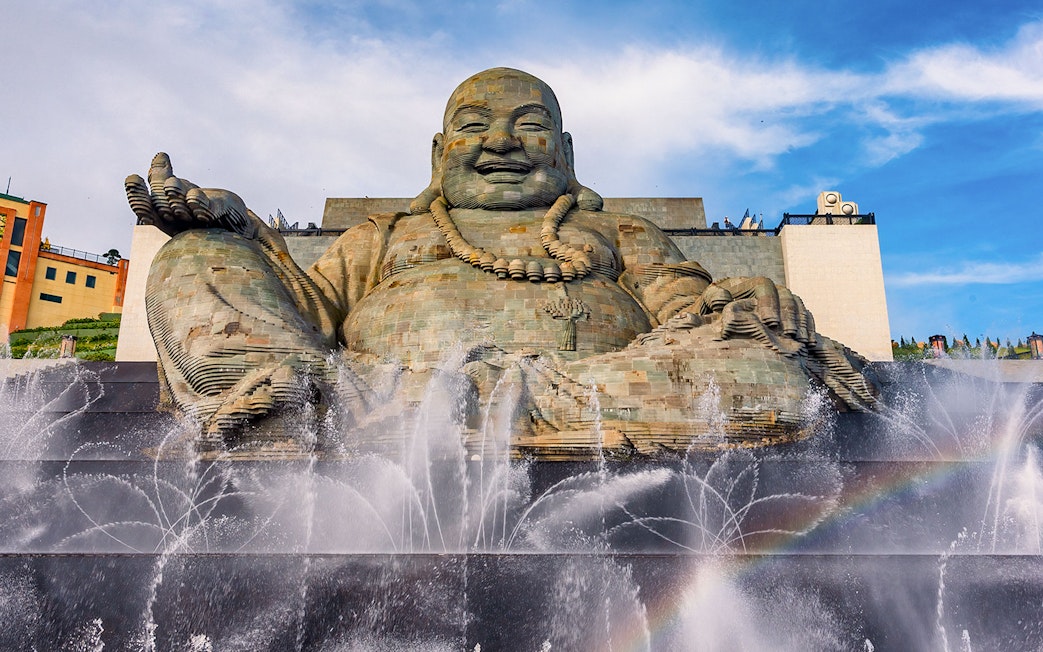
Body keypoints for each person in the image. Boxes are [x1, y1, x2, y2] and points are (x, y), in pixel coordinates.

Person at [126, 67, 875, 451]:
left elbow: (690, 313)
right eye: (475, 125)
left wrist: (742, 300)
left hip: (560, 388)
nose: (500, 142)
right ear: (438, 152)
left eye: (528, 125)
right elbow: (301, 314)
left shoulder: (619, 232)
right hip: (363, 377)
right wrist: (233, 232)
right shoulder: (384, 237)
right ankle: (342, 400)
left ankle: (404, 409)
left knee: (763, 374)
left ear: (567, 151)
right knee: (195, 256)